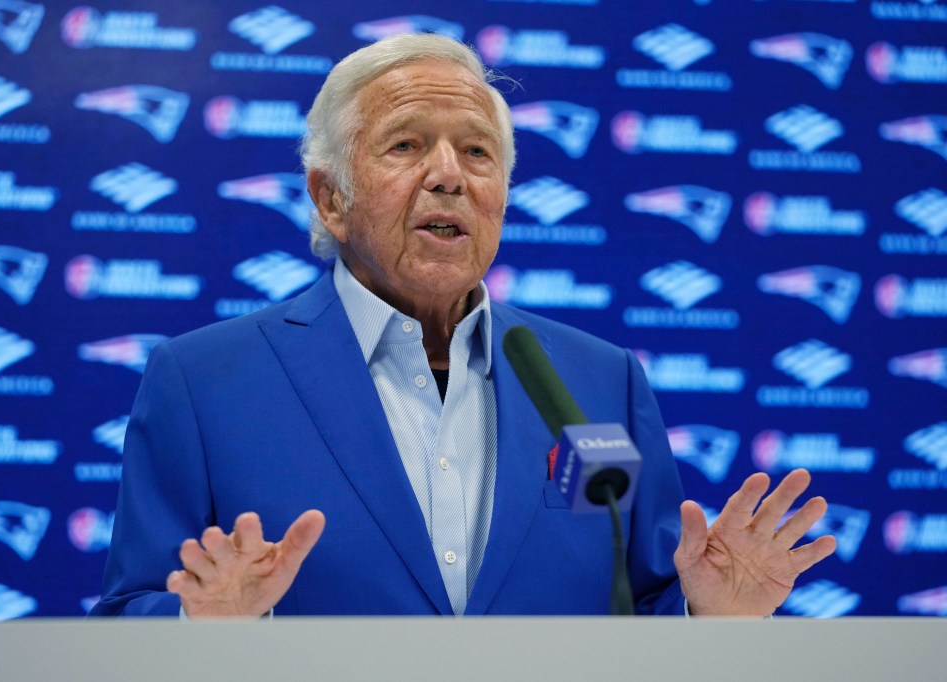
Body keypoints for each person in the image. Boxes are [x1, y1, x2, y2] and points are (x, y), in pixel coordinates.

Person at [91, 34, 835, 619]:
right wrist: (204, 624)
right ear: (330, 199)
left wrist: (708, 617)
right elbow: (129, 613)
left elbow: (635, 604)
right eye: (407, 145)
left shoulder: (599, 379)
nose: (450, 174)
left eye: (477, 151)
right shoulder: (205, 381)